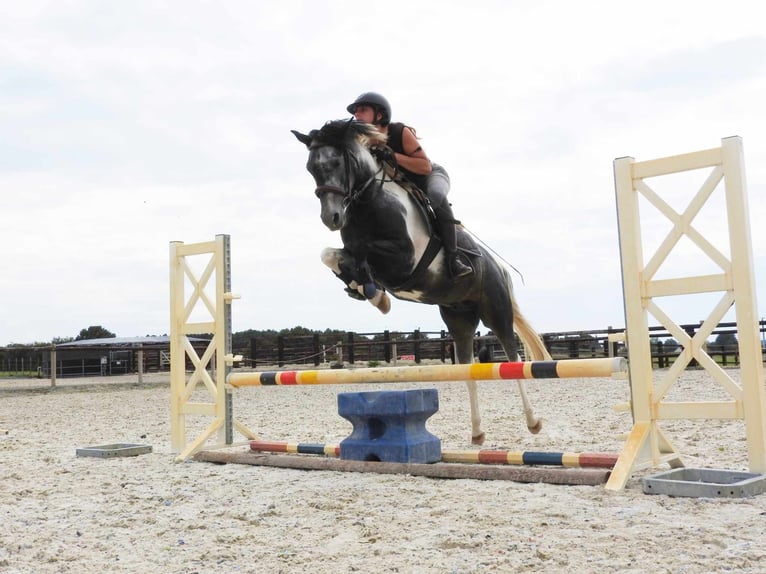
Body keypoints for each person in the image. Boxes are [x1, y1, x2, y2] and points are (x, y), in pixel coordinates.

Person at [346, 92, 473, 279]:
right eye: (355, 112)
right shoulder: (362, 143)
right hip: (403, 185)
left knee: (436, 195)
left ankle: (454, 260)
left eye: (363, 110)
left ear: (379, 115)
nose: (357, 115)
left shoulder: (399, 132)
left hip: (429, 177)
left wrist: (392, 156)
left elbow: (424, 166)